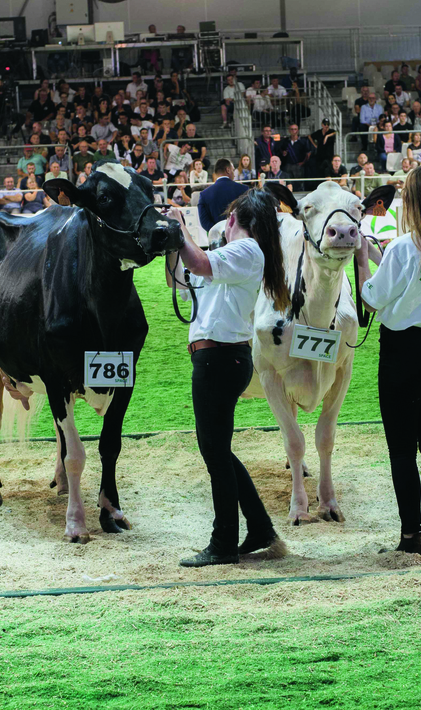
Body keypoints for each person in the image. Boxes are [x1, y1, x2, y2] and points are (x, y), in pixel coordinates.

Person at [162, 189, 289, 567]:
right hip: (217, 359)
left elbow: (198, 263)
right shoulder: (233, 257)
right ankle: (261, 530)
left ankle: (224, 543)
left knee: (214, 452)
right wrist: (174, 239)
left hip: (219, 359)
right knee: (218, 450)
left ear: (233, 218)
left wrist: (181, 229)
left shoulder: (247, 250)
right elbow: (181, 282)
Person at [353, 165, 421, 556]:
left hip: (402, 355)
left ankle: (409, 536)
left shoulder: (402, 248)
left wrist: (364, 259)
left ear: (411, 202)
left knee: (402, 448)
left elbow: (372, 298)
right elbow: (413, 283)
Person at [198, 158, 248, 231]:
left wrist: (220, 232)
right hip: (239, 235)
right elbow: (249, 214)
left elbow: (204, 222)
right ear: (227, 170)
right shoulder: (244, 189)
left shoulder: (204, 194)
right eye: (233, 170)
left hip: (218, 238)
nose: (234, 174)